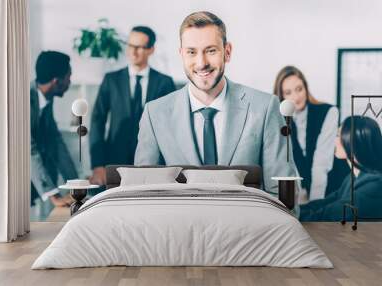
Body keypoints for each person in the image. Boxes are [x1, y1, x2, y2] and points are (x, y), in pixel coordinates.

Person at [134, 11, 297, 193]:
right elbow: (143, 194)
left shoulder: (264, 108)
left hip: (247, 221)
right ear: (182, 55)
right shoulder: (154, 114)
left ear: (227, 52)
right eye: (191, 52)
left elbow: (283, 194)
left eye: (210, 51)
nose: (201, 62)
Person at [90, 26, 176, 185]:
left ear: (151, 49)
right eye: (130, 45)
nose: (133, 51)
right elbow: (97, 121)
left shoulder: (164, 83)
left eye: (139, 47)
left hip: (153, 164)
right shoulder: (111, 80)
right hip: (114, 161)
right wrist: (97, 165)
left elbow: (172, 127)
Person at [273, 66, 339, 201]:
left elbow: (321, 163)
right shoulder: (279, 120)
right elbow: (286, 164)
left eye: (299, 89)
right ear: (281, 96)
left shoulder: (329, 112)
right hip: (301, 195)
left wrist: (313, 204)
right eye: (288, 92)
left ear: (306, 88)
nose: (296, 97)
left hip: (330, 190)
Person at [300, 116, 382, 221]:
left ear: (352, 142)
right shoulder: (353, 176)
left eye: (338, 135)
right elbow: (326, 202)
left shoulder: (374, 185)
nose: (334, 140)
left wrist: (292, 215)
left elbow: (326, 216)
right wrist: (291, 210)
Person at [30, 51, 78, 207]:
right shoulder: (24, 99)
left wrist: (76, 185)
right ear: (56, 81)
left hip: (36, 184)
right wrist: (54, 195)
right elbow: (28, 150)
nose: (70, 82)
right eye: (68, 77)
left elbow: (56, 143)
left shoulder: (46, 99)